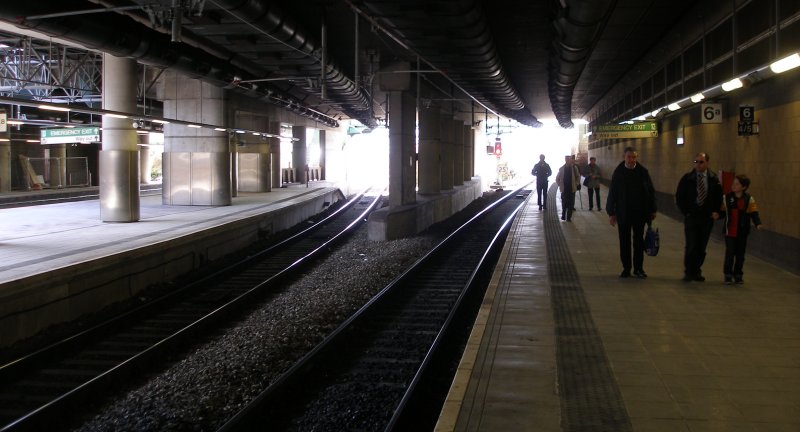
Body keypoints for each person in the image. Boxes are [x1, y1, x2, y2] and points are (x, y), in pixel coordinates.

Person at [606, 147, 656, 278]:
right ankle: (626, 268)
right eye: (629, 157)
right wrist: (611, 213)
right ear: (624, 157)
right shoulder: (618, 173)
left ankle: (639, 268)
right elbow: (613, 194)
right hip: (623, 213)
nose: (631, 160)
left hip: (639, 213)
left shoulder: (643, 172)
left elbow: (650, 192)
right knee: (624, 241)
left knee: (639, 241)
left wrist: (653, 209)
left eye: (634, 157)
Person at [675, 152, 723, 282]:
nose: (698, 165)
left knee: (701, 246)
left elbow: (719, 198)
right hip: (692, 217)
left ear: (707, 163)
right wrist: (686, 212)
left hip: (707, 218)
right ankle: (689, 271)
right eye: (696, 162)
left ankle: (697, 270)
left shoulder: (714, 180)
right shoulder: (687, 179)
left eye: (701, 162)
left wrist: (717, 212)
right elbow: (680, 197)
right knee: (691, 244)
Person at [719, 174, 763, 284]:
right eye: (733, 183)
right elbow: (722, 212)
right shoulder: (727, 198)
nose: (733, 186)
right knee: (730, 253)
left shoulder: (749, 199)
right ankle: (728, 274)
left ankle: (738, 274)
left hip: (742, 231)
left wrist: (758, 223)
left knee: (740, 254)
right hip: (730, 230)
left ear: (744, 187)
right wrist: (717, 215)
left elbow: (754, 213)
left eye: (737, 184)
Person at [555, 154, 580, 221]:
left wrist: (576, 183)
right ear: (565, 160)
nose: (568, 160)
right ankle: (563, 215)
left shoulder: (574, 168)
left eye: (569, 159)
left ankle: (568, 217)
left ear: (571, 160)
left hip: (572, 189)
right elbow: (557, 178)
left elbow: (578, 176)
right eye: (567, 159)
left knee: (571, 204)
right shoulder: (561, 168)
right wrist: (560, 185)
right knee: (564, 203)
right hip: (564, 189)